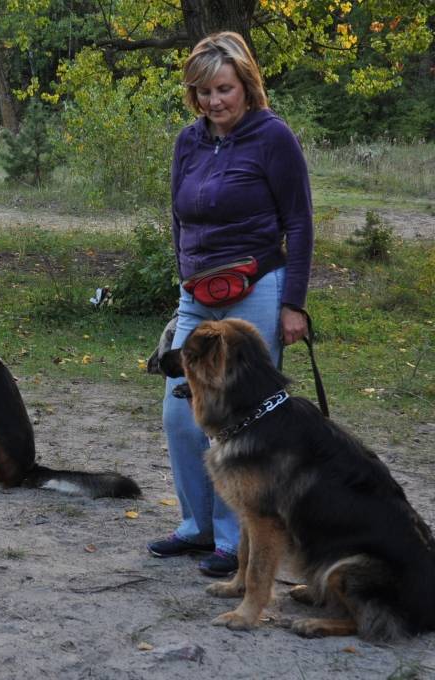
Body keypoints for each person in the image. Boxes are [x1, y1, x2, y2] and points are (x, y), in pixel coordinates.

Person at [147, 32, 313, 577]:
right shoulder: (187, 141)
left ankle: (233, 540)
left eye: (223, 89)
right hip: (197, 292)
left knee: (240, 419)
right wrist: (183, 281)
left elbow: (299, 223)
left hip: (259, 287)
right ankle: (195, 526)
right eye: (203, 92)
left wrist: (293, 304)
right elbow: (177, 217)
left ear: (246, 85)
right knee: (180, 412)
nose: (214, 102)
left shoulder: (273, 137)